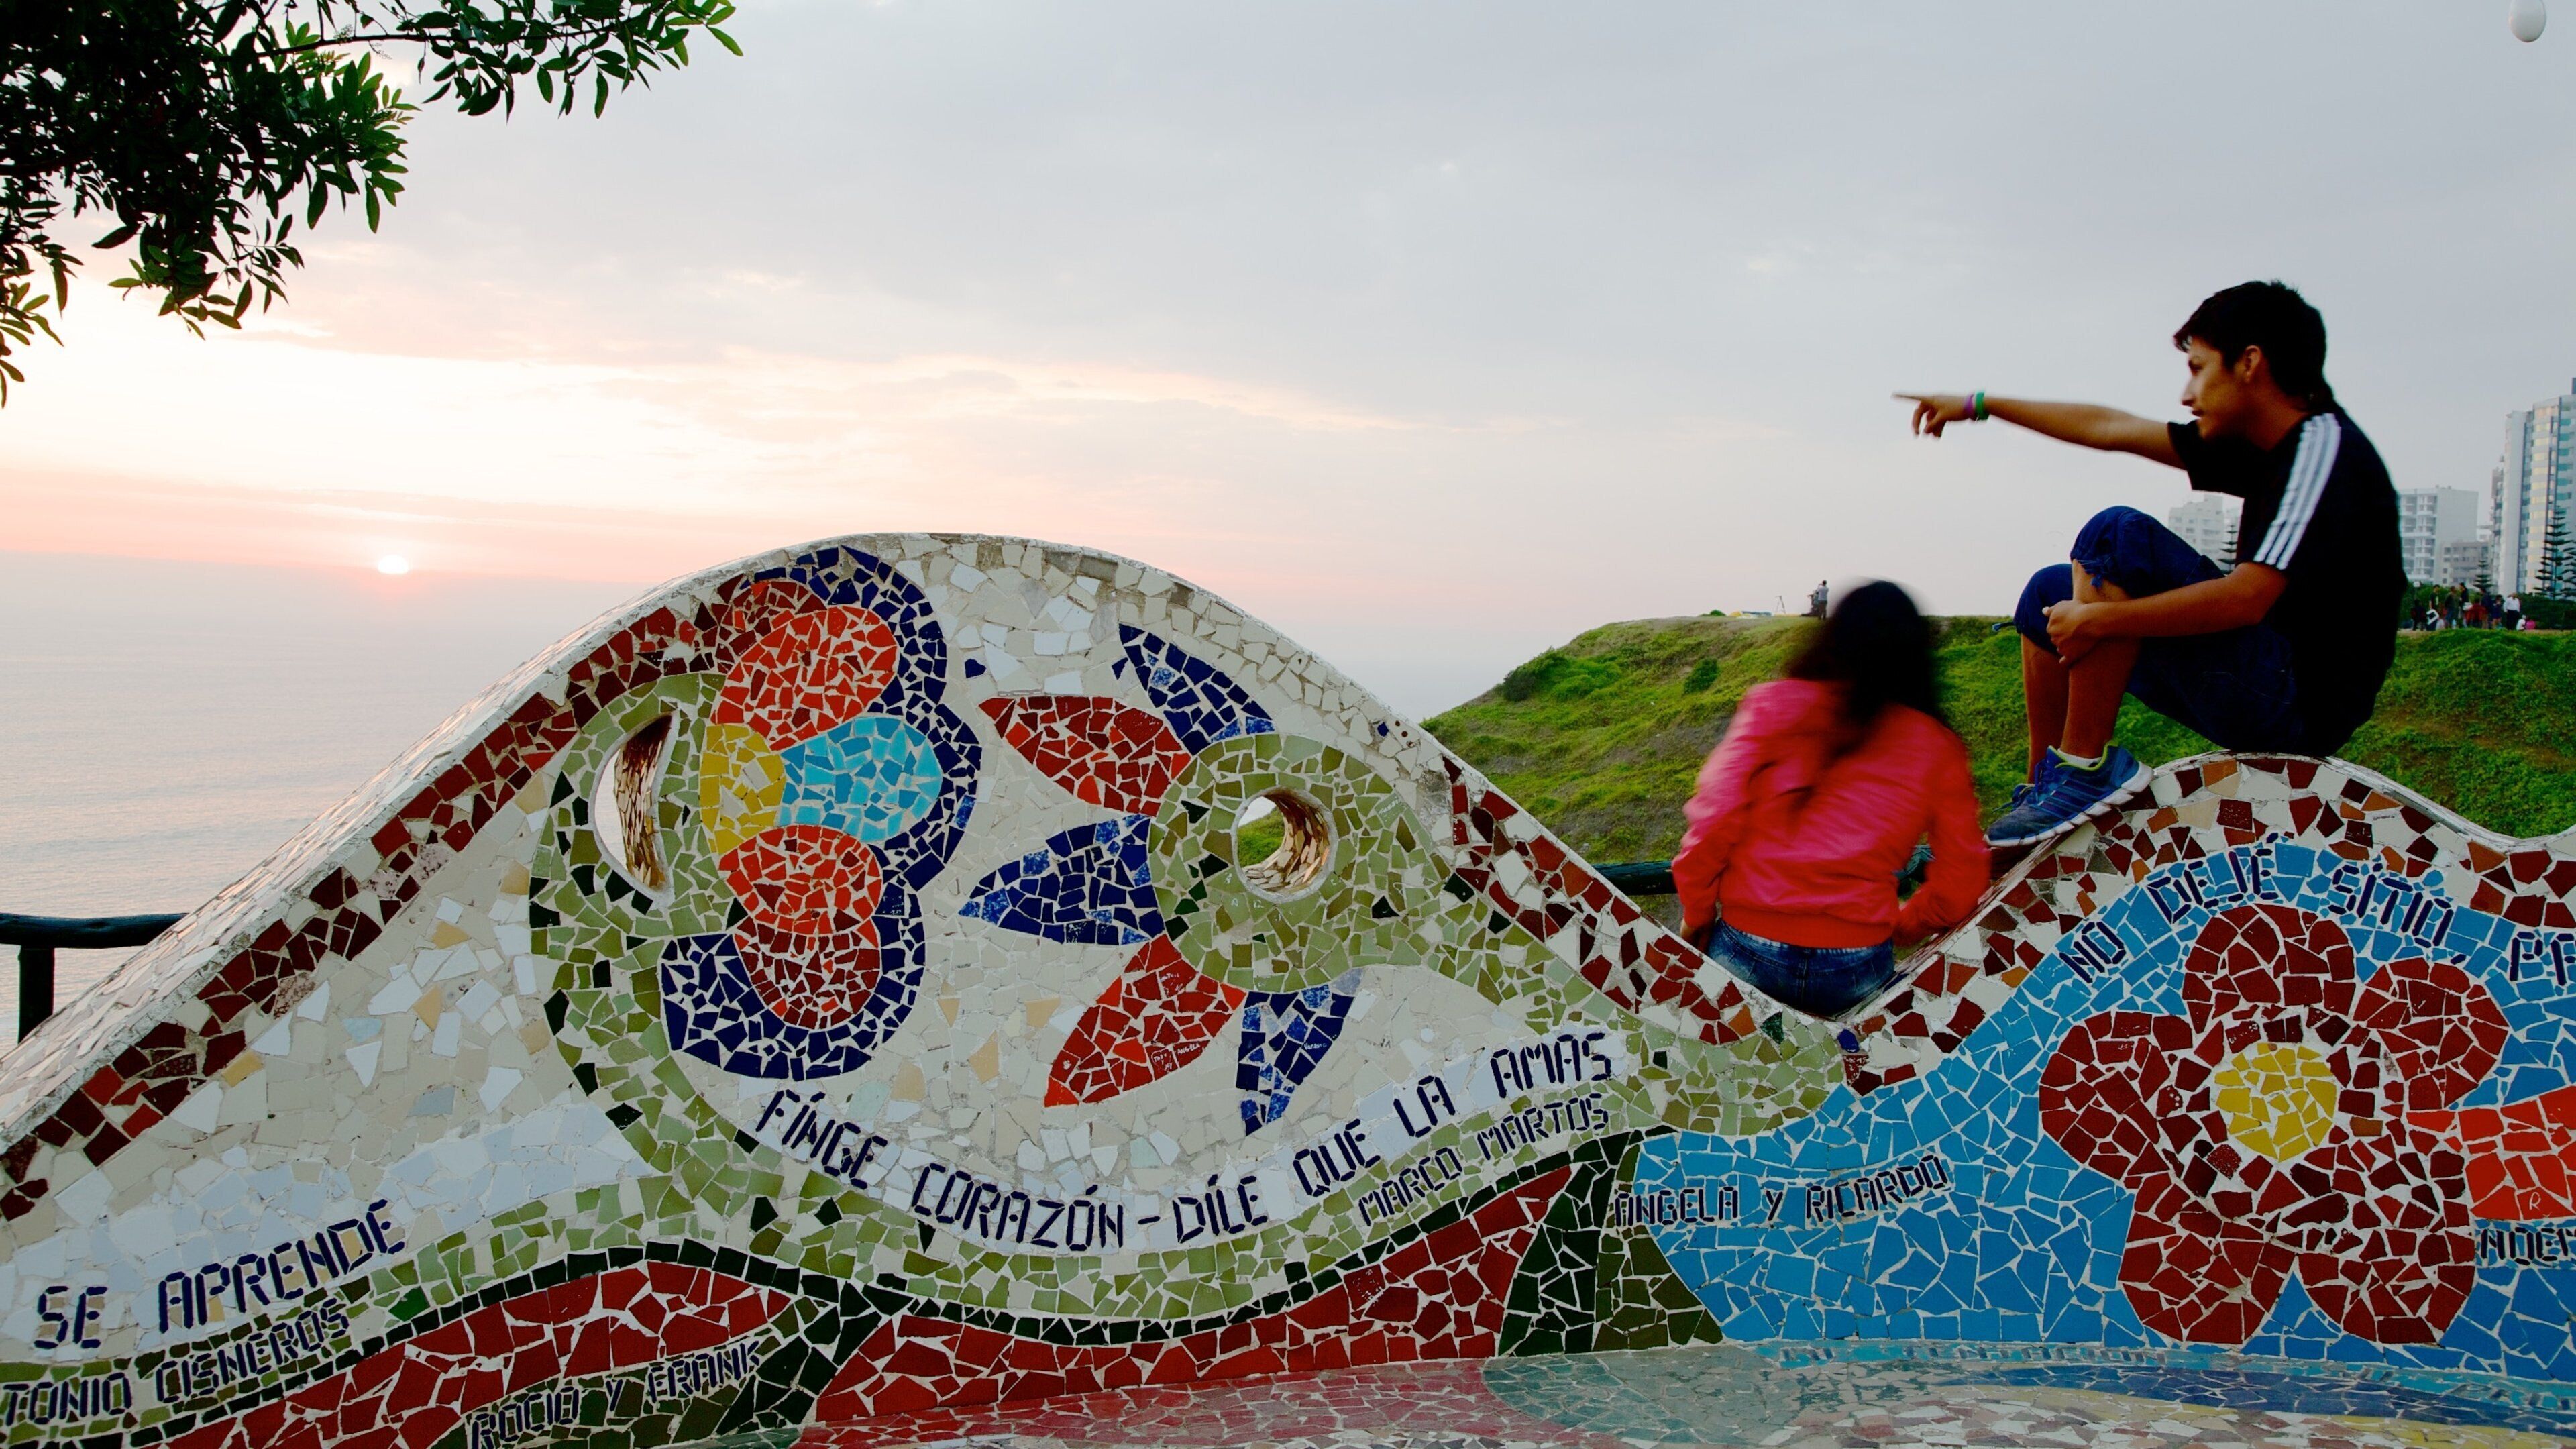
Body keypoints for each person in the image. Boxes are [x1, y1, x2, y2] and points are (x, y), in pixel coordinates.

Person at [1898, 280, 2402, 847]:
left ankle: (2083, 770)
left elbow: (2246, 597)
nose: (2187, 394)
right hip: (2258, 672)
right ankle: (2049, 785)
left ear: (2249, 363)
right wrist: (1978, 405)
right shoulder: (2261, 449)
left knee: (2117, 535)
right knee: (2047, 592)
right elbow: (2111, 430)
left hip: (2296, 703)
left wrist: (2101, 621)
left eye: (2197, 368)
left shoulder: (2321, 449)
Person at [1672, 581, 1989, 1019]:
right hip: (1856, 963)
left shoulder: (1772, 706)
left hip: (1748, 944)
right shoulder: (1938, 745)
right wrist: (1902, 923)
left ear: (1831, 637)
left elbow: (1715, 815)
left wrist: (1698, 910)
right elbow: (1963, 876)